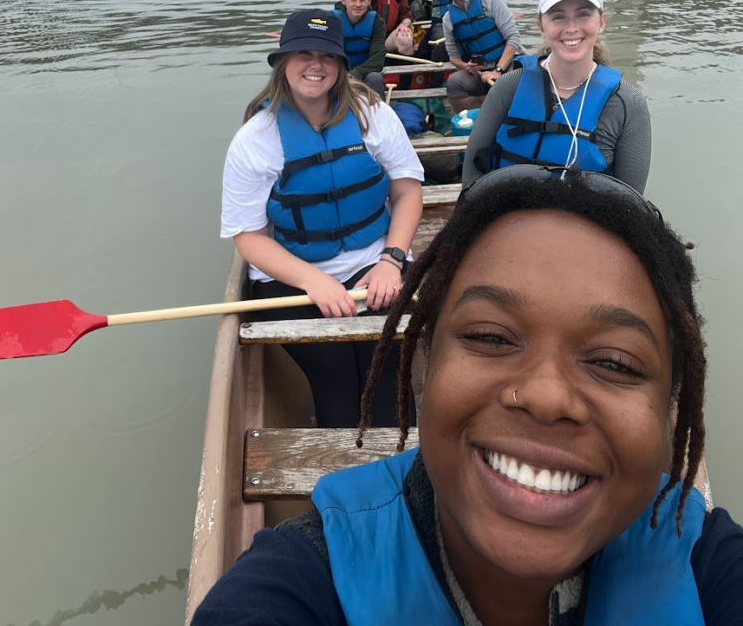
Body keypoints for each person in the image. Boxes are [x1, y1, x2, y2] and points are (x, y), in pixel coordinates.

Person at [194, 166, 743, 626]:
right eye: (489, 337)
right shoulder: (301, 580)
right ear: (424, 364)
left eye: (613, 363)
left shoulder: (709, 567)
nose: (547, 397)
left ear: (671, 408)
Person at [220, 9, 424, 429]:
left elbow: (407, 192)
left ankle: (401, 476)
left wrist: (391, 260)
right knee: (334, 376)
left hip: (375, 266)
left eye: (327, 57)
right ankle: (344, 480)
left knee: (384, 368)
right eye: (303, 54)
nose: (316, 66)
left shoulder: (372, 115)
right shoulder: (254, 140)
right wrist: (315, 281)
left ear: (341, 66)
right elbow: (249, 238)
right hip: (292, 280)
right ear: (282, 64)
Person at [462, 0, 652, 194]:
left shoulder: (628, 104)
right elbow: (472, 179)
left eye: (583, 15)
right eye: (558, 17)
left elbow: (631, 203)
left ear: (601, 23)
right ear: (541, 26)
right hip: (507, 219)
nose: (571, 28)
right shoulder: (509, 86)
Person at [441, 0, 524, 114]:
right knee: (454, 82)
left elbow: (513, 38)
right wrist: (466, 67)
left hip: (508, 64)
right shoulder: (448, 19)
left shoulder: (490, 0)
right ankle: (468, 124)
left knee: (515, 81)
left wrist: (498, 70)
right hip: (480, 72)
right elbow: (453, 56)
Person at [334, 0, 387, 97]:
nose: (358, 4)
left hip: (365, 74)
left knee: (375, 78)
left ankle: (377, 112)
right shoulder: (333, 21)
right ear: (343, 0)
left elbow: (378, 58)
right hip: (338, 74)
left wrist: (355, 74)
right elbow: (330, 55)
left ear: (369, 1)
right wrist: (344, 74)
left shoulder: (377, 23)